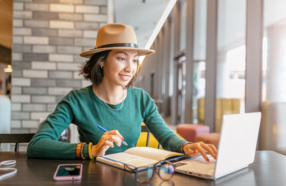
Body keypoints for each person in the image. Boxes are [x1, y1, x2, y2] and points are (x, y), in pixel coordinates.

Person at [27, 23, 217, 161]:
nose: (130, 68)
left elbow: (166, 137)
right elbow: (37, 145)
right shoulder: (76, 101)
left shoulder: (141, 99)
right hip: (93, 178)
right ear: (102, 60)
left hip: (132, 177)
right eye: (121, 58)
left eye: (134, 60)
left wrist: (185, 145)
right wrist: (90, 151)